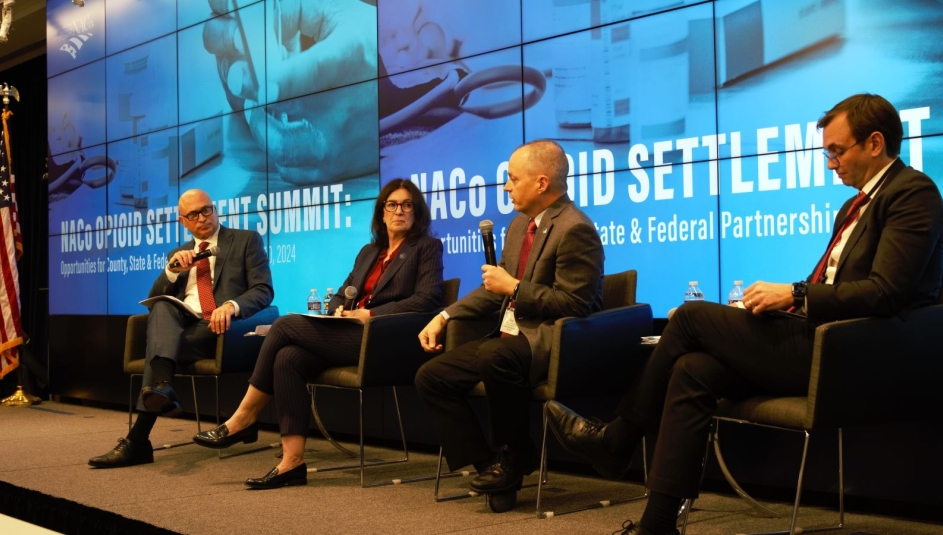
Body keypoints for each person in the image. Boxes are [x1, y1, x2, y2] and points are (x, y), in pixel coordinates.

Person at [545, 93, 943, 535]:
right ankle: (656, 525)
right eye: (826, 152)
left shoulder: (912, 193)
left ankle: (616, 439)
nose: (830, 163)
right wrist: (782, 301)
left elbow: (885, 293)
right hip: (821, 340)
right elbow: (836, 288)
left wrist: (795, 292)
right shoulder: (854, 206)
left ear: (874, 143)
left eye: (837, 150)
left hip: (854, 355)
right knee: (694, 370)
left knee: (691, 319)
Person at [192, 179, 443, 489]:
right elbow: (341, 293)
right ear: (381, 212)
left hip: (385, 338)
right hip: (351, 333)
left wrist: (371, 314)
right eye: (392, 205)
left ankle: (243, 418)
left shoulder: (427, 247)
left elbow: (427, 298)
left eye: (407, 205)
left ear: (417, 213)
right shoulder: (370, 251)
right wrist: (338, 311)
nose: (399, 211)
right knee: (288, 357)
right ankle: (292, 462)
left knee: (284, 325)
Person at [415, 139, 605, 506]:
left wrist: (515, 286)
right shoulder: (520, 225)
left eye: (512, 179)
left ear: (541, 183)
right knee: (431, 377)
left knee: (495, 355)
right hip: (509, 337)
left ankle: (515, 452)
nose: (505, 187)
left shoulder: (575, 228)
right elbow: (493, 290)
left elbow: (576, 304)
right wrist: (444, 315)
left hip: (552, 340)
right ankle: (494, 465)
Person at [89, 188, 275, 468]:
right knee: (162, 307)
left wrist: (231, 306)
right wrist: (172, 272)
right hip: (184, 327)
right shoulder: (178, 253)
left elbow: (263, 290)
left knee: (159, 344)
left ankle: (140, 435)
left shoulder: (245, 240)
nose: (202, 218)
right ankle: (161, 386)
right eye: (193, 215)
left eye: (206, 210)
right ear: (183, 221)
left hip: (223, 328)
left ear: (215, 209)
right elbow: (153, 300)